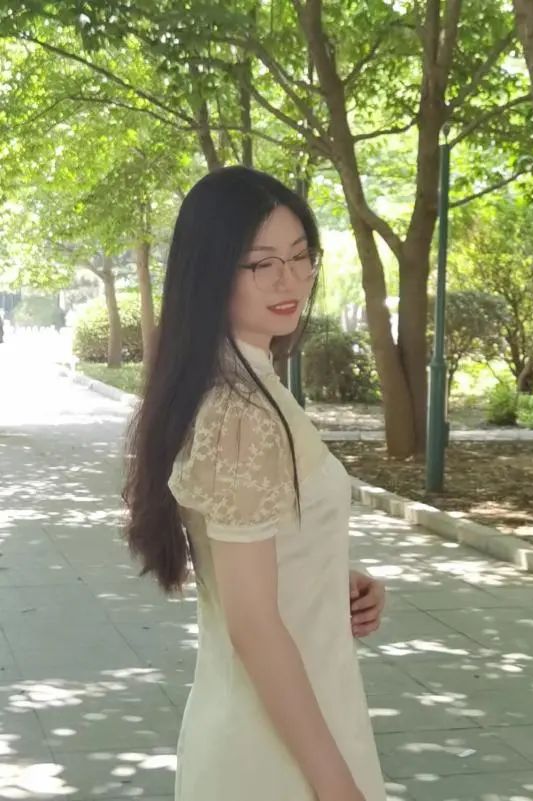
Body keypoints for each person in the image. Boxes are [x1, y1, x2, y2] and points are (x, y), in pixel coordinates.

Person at [121, 166, 388, 801]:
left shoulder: (248, 381)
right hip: (276, 753)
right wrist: (338, 790)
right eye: (262, 263)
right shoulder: (240, 413)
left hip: (291, 718)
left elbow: (254, 556)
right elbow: (254, 626)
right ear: (211, 272)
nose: (289, 280)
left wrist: (327, 570)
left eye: (300, 256)